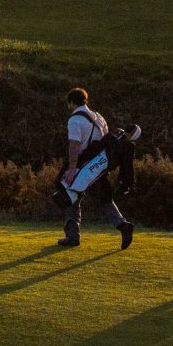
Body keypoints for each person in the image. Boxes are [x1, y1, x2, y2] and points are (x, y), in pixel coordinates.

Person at [57, 88, 136, 250]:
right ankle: (122, 224)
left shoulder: (74, 120)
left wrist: (72, 169)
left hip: (81, 165)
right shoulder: (98, 117)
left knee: (71, 196)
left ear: (71, 102)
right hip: (98, 165)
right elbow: (104, 140)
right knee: (104, 200)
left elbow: (74, 145)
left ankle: (72, 236)